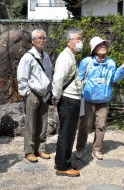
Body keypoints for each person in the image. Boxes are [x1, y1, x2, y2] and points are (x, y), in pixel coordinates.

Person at [75, 36, 124, 160]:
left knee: (101, 125)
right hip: (86, 99)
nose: (103, 47)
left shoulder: (110, 63)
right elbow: (78, 79)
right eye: (100, 45)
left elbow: (113, 79)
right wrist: (77, 97)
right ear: (93, 48)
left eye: (104, 45)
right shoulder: (86, 62)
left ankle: (97, 149)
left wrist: (122, 69)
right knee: (84, 125)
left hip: (103, 100)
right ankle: (80, 148)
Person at [17, 29, 53, 163]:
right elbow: (22, 77)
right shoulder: (28, 57)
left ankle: (41, 148)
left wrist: (50, 91)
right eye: (39, 38)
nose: (42, 40)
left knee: (43, 122)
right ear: (33, 41)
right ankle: (29, 151)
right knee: (31, 123)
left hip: (44, 94)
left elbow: (49, 75)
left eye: (44, 38)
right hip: (32, 93)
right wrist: (26, 93)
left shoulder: (47, 56)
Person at [52, 28, 83, 177]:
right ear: (69, 42)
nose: (80, 42)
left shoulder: (70, 55)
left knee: (68, 132)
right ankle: (63, 166)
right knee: (67, 133)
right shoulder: (65, 57)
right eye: (77, 39)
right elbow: (58, 79)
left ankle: (62, 161)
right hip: (68, 100)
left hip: (72, 99)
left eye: (80, 39)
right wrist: (57, 97)